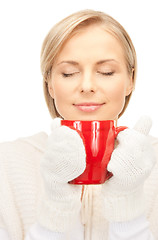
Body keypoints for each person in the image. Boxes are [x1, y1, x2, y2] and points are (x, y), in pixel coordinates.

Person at [0, 9, 158, 240]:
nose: (86, 86)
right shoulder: (7, 163)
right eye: (69, 73)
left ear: (130, 81)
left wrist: (128, 209)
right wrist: (57, 208)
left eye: (106, 71)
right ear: (50, 85)